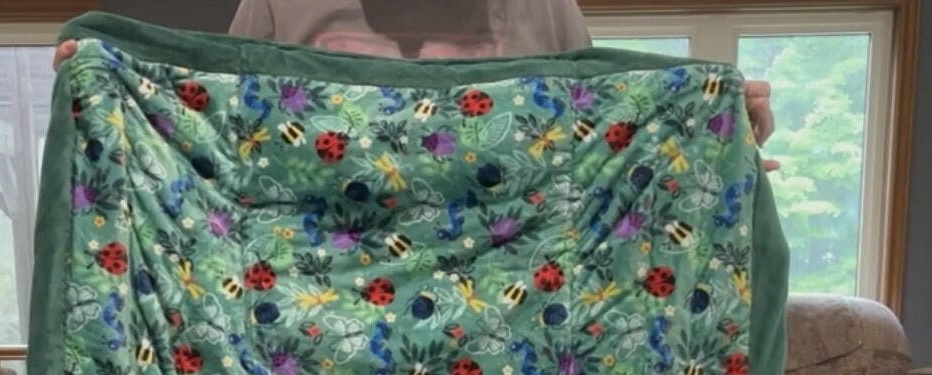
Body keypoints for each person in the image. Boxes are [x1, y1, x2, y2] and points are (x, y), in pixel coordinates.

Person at [53, 0, 776, 163]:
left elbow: (590, 156)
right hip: (316, 328)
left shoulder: (540, 7)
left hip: (506, 327)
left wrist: (705, 130)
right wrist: (115, 92)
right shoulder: (284, 1)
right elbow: (219, 146)